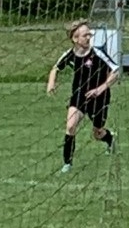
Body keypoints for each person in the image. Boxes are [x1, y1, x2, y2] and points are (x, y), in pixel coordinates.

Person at [46, 19, 120, 173]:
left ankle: (110, 139)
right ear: (75, 39)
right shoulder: (69, 55)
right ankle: (67, 164)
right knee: (70, 126)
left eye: (89, 34)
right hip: (79, 96)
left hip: (100, 98)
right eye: (85, 35)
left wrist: (100, 88)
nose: (89, 37)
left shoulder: (97, 53)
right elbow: (55, 68)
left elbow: (115, 71)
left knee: (97, 133)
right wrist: (51, 83)